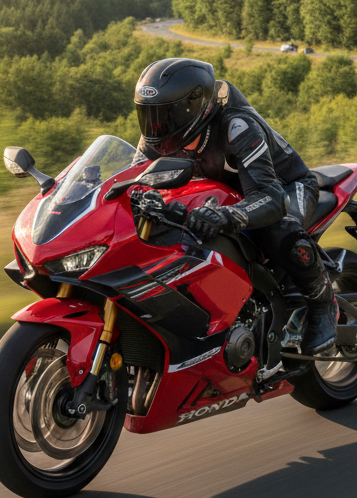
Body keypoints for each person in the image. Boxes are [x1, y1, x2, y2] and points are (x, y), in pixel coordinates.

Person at [133, 57, 337, 363]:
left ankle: (323, 302)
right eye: (149, 115)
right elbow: (136, 180)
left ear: (194, 107)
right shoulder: (159, 139)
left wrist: (226, 216)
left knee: (280, 231)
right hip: (229, 195)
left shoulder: (236, 126)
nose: (156, 126)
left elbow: (271, 197)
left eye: (165, 115)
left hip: (285, 187)